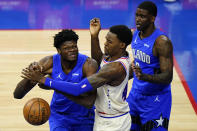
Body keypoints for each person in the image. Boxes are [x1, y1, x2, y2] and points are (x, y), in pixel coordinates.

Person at [21, 18, 133, 131]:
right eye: (106, 39)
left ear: (122, 45)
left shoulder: (115, 68)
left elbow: (79, 88)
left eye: (110, 42)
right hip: (102, 117)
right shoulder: (111, 58)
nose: (105, 43)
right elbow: (98, 59)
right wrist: (94, 36)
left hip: (115, 122)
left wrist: (44, 80)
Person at [14, 29, 98, 131]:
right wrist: (31, 75)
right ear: (58, 50)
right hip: (59, 116)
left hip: (84, 117)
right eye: (66, 48)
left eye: (74, 46)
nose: (72, 50)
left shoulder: (89, 65)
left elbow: (89, 102)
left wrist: (52, 84)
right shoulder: (49, 62)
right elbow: (17, 95)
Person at [126, 1, 173, 131]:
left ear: (152, 18)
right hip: (135, 95)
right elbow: (138, 63)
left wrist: (144, 76)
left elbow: (168, 76)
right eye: (136, 15)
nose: (137, 19)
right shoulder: (135, 34)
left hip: (156, 99)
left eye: (142, 16)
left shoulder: (162, 42)